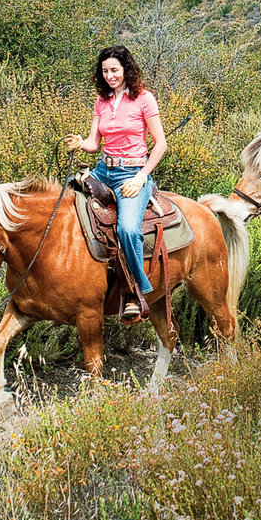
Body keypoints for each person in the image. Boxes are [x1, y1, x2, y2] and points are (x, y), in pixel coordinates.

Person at [63, 45, 167, 319]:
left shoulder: (144, 99)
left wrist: (141, 177)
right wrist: (80, 143)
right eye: (105, 71)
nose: (110, 75)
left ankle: (135, 291)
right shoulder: (102, 101)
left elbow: (161, 144)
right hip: (102, 170)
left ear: (126, 70)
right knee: (62, 200)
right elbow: (94, 143)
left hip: (132, 173)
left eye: (114, 70)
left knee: (128, 230)